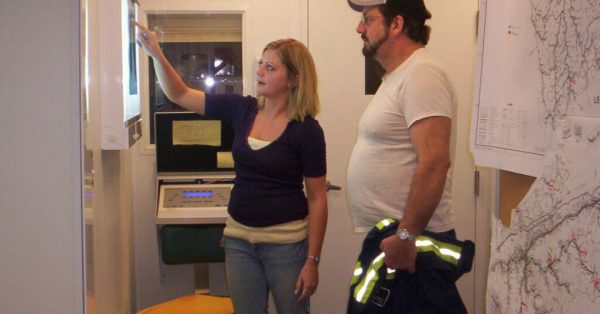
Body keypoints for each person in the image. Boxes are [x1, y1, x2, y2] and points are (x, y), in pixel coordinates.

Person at [134, 22, 328, 314]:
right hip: (238, 241)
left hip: (286, 246)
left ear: (294, 79)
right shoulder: (242, 108)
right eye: (261, 64)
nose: (260, 71)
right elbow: (181, 95)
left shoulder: (307, 131)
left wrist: (312, 261)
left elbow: (317, 198)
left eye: (271, 68)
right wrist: (156, 54)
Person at [346, 0, 458, 281]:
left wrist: (406, 237)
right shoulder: (398, 76)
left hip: (411, 243)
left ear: (396, 24)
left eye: (368, 19)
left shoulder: (422, 74)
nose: (360, 28)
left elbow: (435, 162)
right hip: (394, 237)